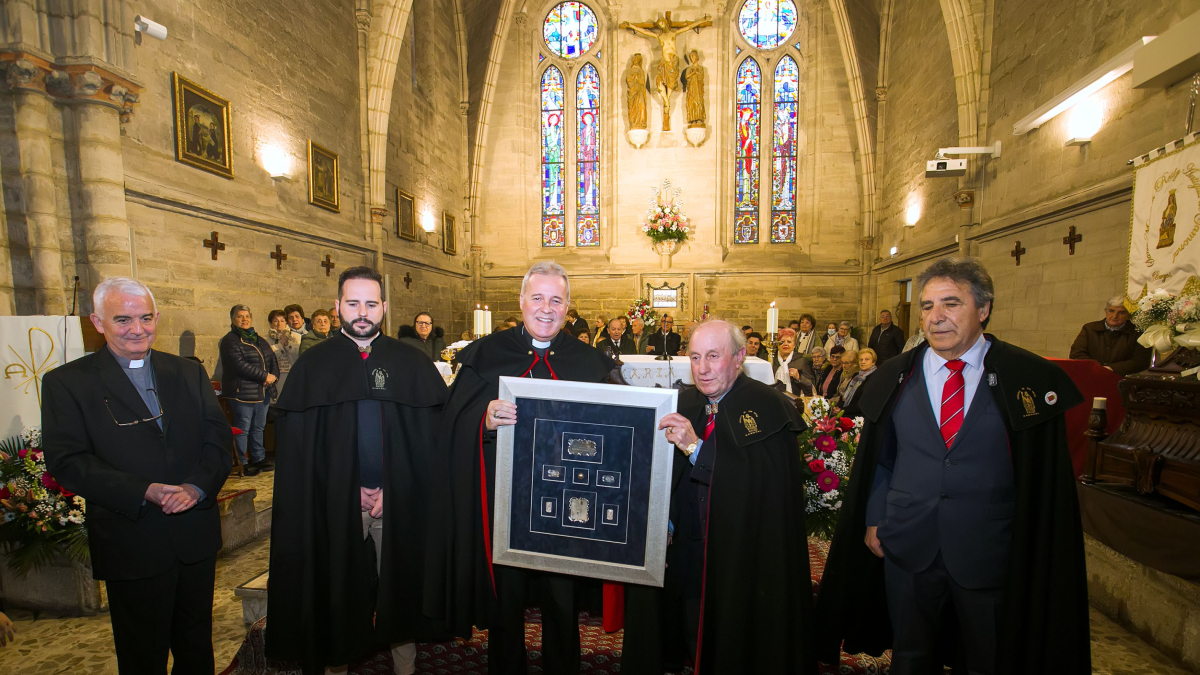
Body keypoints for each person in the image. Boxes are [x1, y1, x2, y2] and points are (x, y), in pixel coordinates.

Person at [816, 256, 1090, 674]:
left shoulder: (1024, 378)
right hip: (908, 542)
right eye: (927, 306)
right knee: (909, 657)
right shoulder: (895, 376)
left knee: (987, 658)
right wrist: (874, 518)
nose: (936, 317)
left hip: (988, 547)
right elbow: (881, 460)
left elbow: (1041, 477)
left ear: (984, 309)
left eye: (951, 303)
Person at [424, 262, 616, 675]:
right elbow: (453, 421)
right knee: (505, 602)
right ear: (521, 301)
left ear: (568, 306)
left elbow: (619, 428)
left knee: (562, 602)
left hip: (565, 505)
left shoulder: (589, 362)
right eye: (538, 298)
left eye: (556, 300)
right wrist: (483, 419)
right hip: (504, 501)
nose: (546, 308)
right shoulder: (486, 353)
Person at [41, 277, 231, 674]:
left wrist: (196, 487)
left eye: (145, 318)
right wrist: (143, 489)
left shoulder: (188, 372)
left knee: (197, 648)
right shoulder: (68, 383)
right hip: (131, 537)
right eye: (123, 319)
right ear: (98, 322)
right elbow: (68, 460)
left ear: (157, 317)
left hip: (193, 534)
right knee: (142, 656)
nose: (137, 329)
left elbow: (217, 439)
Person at [267, 266, 448, 674]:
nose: (362, 312)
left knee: (402, 587)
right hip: (334, 501)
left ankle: (405, 669)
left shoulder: (411, 362)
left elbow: (431, 440)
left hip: (397, 500)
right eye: (353, 303)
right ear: (337, 307)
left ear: (384, 307)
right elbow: (299, 450)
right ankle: (337, 666)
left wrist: (394, 487)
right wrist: (345, 489)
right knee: (335, 588)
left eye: (370, 303)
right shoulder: (314, 365)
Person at [648, 320, 816, 673]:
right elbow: (667, 475)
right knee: (692, 628)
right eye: (695, 357)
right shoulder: (686, 402)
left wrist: (694, 447)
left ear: (739, 357)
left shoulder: (768, 405)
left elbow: (757, 485)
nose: (702, 369)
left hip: (745, 553)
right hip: (691, 548)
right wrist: (665, 522)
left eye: (713, 356)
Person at [220, 305, 279, 476]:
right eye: (240, 316)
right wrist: (264, 376)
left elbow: (272, 359)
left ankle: (258, 457)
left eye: (247, 316)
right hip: (242, 392)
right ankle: (242, 461)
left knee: (259, 427)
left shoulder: (258, 339)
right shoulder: (230, 340)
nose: (244, 319)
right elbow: (239, 365)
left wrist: (273, 376)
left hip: (262, 390)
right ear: (233, 320)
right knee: (243, 427)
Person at [1069, 295, 1151, 375]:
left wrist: (1112, 368)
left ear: (1128, 315)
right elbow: (1076, 353)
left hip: (1121, 378)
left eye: (1121, 312)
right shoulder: (1090, 328)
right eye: (1111, 311)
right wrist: (1097, 368)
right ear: (1106, 311)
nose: (1115, 316)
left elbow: (1141, 361)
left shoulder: (1137, 332)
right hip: (1091, 374)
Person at [267, 309, 301, 394]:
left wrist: (287, 344)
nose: (279, 324)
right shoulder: (264, 339)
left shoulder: (296, 337)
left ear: (286, 322)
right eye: (276, 321)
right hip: (275, 376)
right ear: (270, 323)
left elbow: (299, 354)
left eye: (282, 321)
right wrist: (280, 346)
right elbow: (267, 356)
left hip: (292, 375)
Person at [771, 328, 814, 395]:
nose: (785, 344)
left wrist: (799, 377)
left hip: (794, 398)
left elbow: (810, 385)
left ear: (794, 345)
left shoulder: (801, 360)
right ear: (778, 344)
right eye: (782, 341)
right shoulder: (771, 359)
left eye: (789, 342)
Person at [839, 348, 878, 417]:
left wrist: (843, 410)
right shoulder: (856, 376)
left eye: (867, 359)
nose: (863, 362)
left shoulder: (874, 378)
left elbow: (863, 403)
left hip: (860, 415)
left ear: (873, 362)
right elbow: (844, 395)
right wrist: (838, 407)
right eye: (861, 359)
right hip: (847, 411)